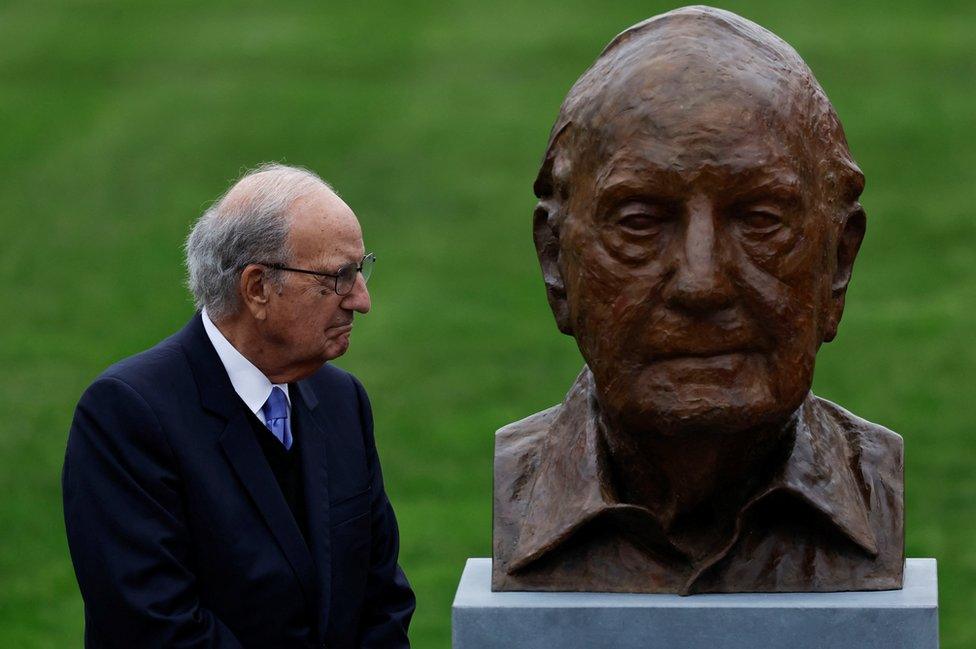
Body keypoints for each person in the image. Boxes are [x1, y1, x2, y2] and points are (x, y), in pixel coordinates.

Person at [493, 7, 904, 595]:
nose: (701, 283)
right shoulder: (515, 485)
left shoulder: (878, 484)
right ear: (556, 260)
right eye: (638, 222)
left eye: (761, 220)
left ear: (837, 261)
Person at [63, 163, 415, 647]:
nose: (361, 299)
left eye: (361, 270)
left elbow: (384, 602)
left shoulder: (342, 402)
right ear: (257, 288)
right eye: (339, 277)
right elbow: (155, 628)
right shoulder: (129, 415)